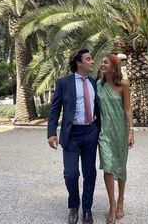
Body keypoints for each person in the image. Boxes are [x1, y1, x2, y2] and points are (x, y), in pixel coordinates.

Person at [47, 48, 100, 224]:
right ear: (79, 62)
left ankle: (86, 209)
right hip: (71, 134)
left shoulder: (94, 82)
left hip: (90, 132)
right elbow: (55, 108)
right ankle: (73, 206)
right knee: (70, 174)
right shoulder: (64, 83)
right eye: (89, 59)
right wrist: (51, 132)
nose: (92, 61)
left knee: (90, 173)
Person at [97, 53, 135, 224]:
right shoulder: (97, 85)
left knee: (120, 166)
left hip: (120, 131)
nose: (102, 65)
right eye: (101, 62)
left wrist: (131, 131)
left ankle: (121, 201)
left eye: (105, 62)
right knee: (108, 167)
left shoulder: (123, 86)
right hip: (104, 133)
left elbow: (127, 109)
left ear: (113, 66)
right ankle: (112, 204)